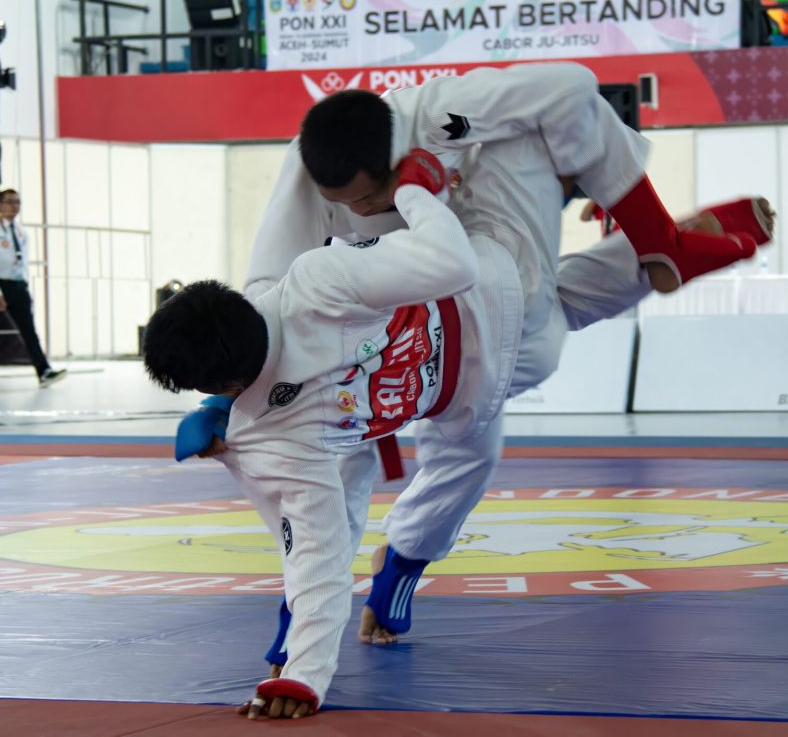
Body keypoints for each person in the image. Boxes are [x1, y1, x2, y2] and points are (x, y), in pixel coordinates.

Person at [243, 63, 774, 651]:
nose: (363, 209)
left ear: (397, 157)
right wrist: (235, 394)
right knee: (339, 450)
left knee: (486, 422)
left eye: (372, 196)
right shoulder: (306, 169)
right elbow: (265, 290)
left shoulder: (441, 111)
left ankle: (403, 560)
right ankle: (651, 256)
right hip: (386, 320)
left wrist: (625, 206)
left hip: (487, 244)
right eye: (347, 203)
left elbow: (572, 87)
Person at [144, 151, 525, 719]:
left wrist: (414, 189)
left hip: (490, 330)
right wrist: (303, 673)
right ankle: (342, 602)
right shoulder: (279, 420)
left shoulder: (315, 289)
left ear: (223, 381)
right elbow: (315, 554)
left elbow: (453, 263)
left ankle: (398, 565)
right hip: (472, 351)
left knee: (457, 462)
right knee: (393, 469)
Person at [0, 188, 66, 387]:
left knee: (28, 330)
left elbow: (22, 260)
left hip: (18, 285)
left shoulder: (21, 231)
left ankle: (43, 370)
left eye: (17, 202)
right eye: (10, 202)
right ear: (0, 205)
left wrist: (24, 283)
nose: (14, 206)